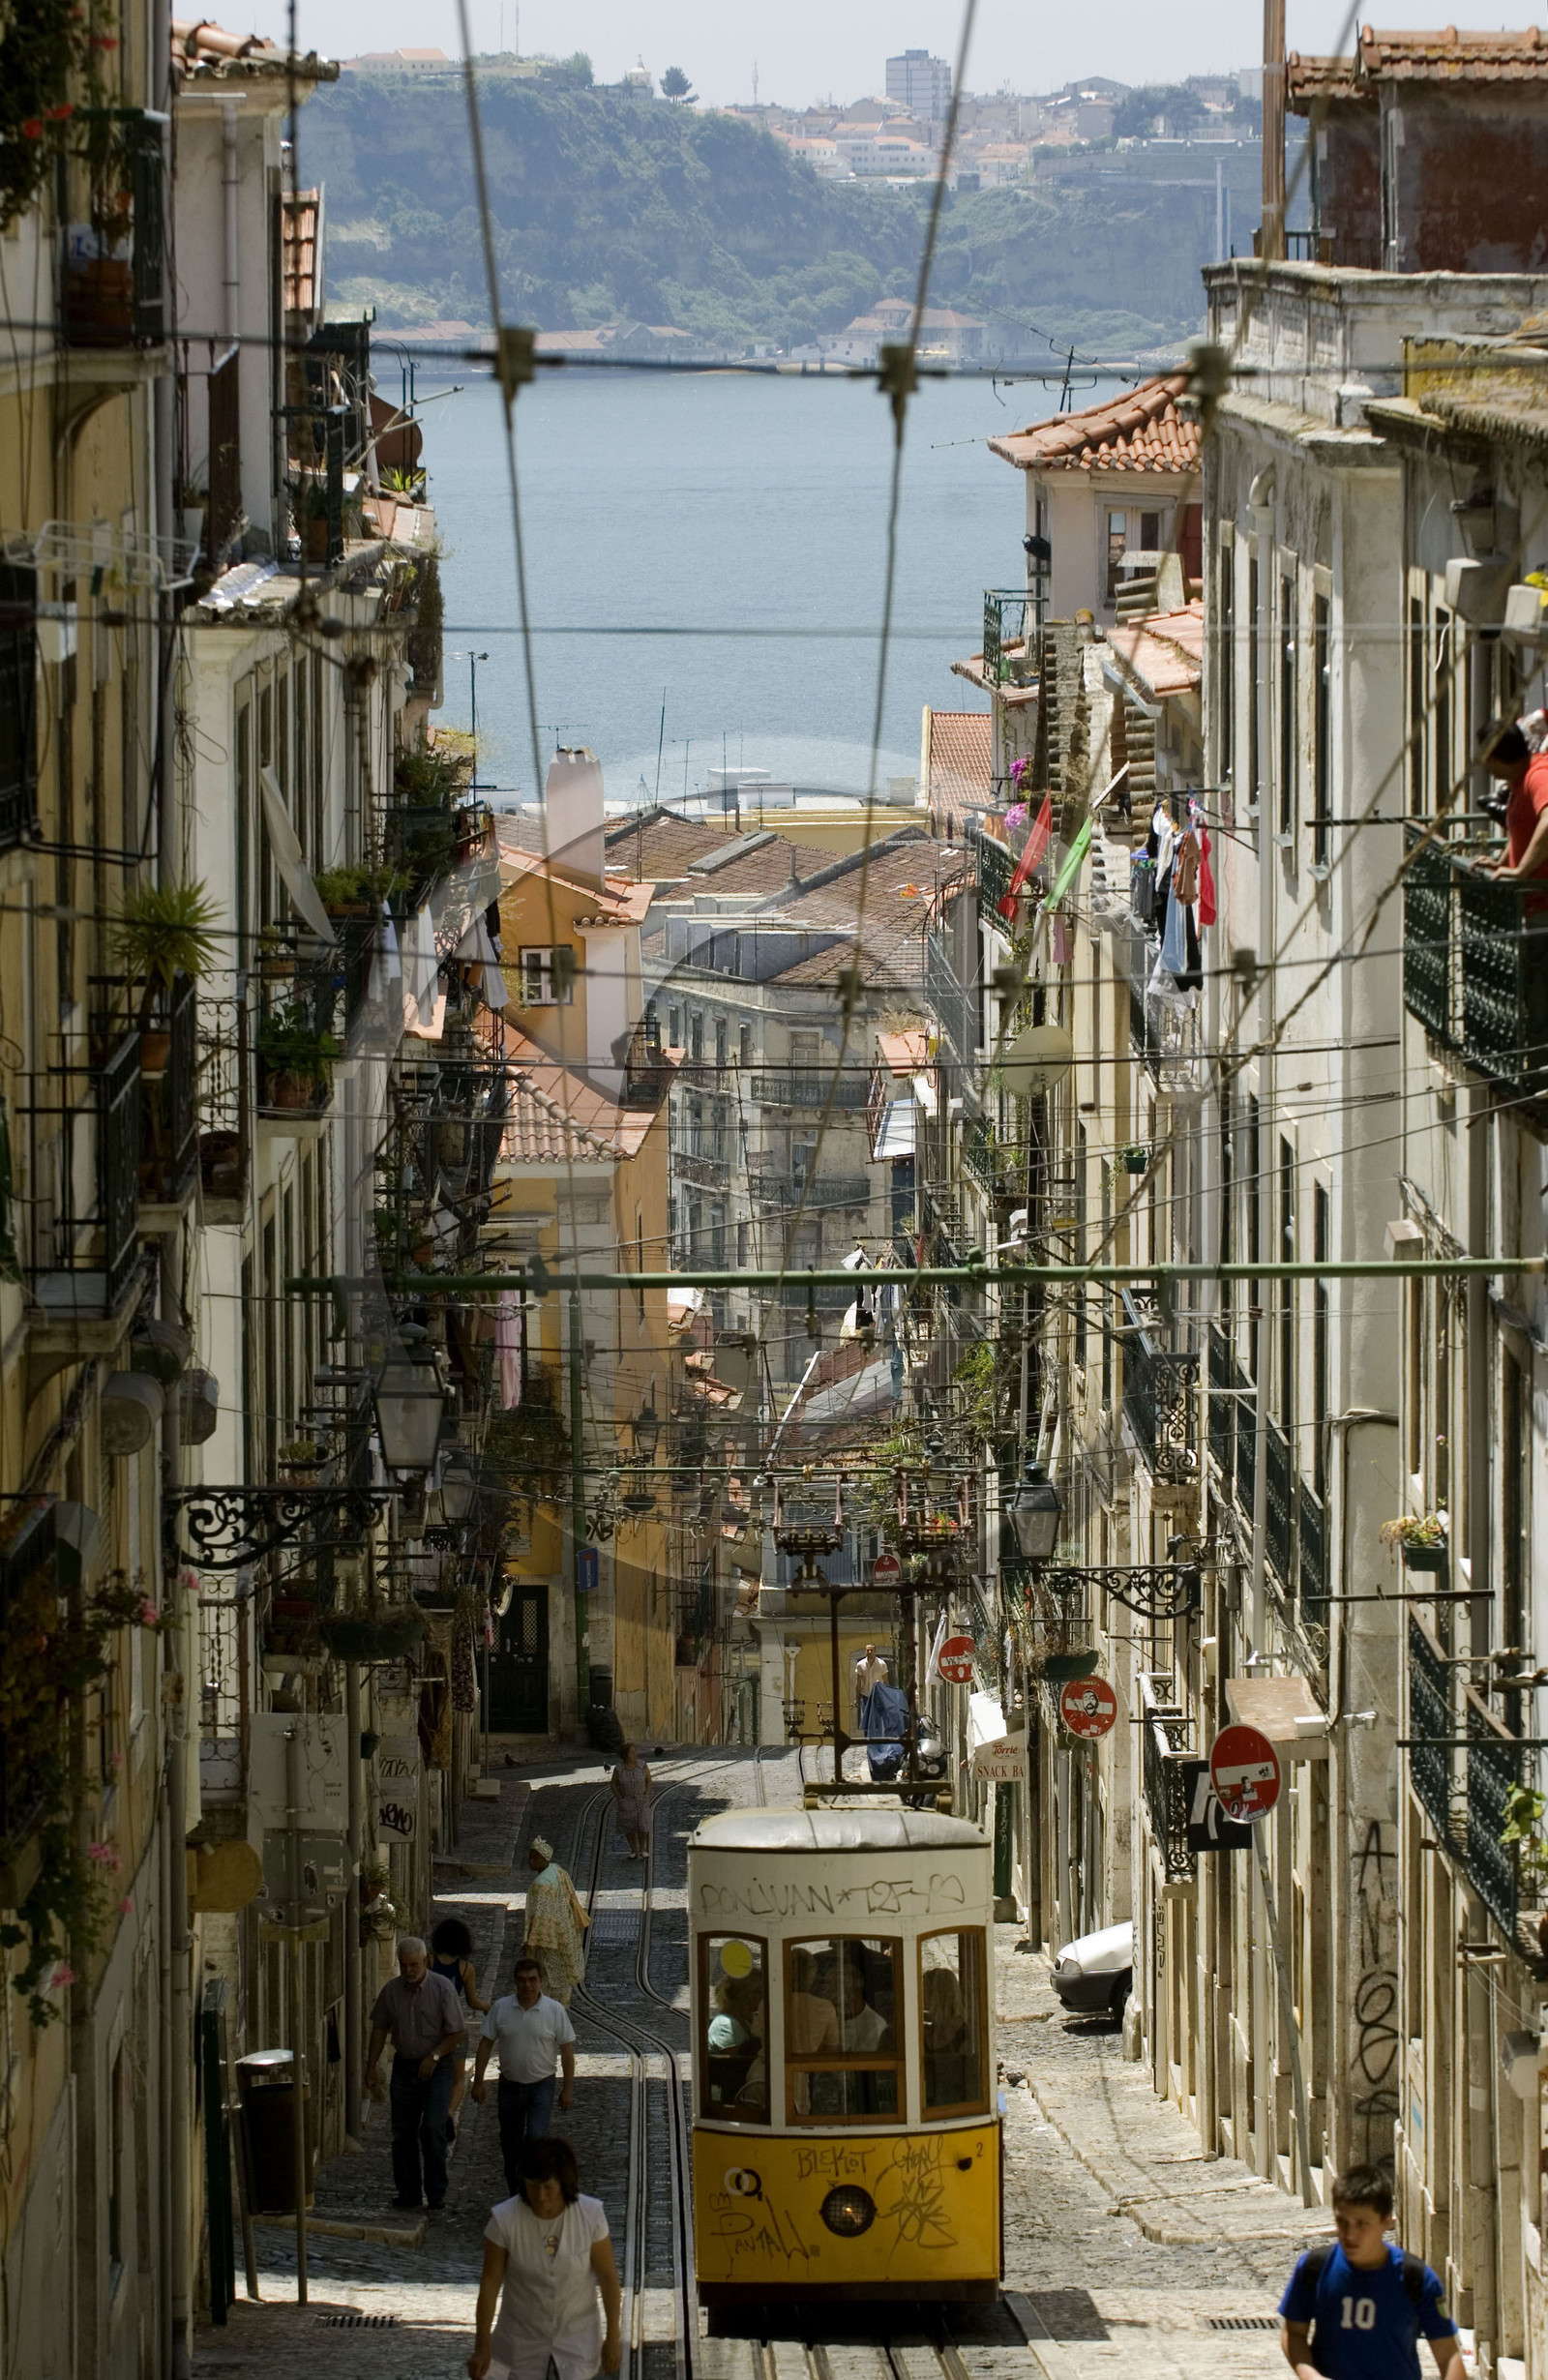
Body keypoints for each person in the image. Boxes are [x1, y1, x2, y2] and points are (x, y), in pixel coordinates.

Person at [1279, 2163, 1463, 2380]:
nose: (1350, 2234)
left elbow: (1448, 2356)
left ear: (1386, 2221)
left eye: (1362, 2224)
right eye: (1342, 2222)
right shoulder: (1314, 2268)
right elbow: (1294, 2333)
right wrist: (1309, 2374)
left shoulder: (1416, 2279)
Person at [468, 2135, 622, 2380]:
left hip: (578, 2338)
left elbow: (608, 2277)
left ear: (563, 2183)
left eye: (548, 2188)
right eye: (533, 2187)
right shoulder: (504, 2219)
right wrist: (482, 2346)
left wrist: (613, 2336)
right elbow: (489, 2284)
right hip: (519, 2340)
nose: (540, 2197)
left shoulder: (590, 2215)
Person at [365, 1936, 467, 2212]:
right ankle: (408, 2192)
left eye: (414, 1964)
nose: (409, 1970)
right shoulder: (392, 1991)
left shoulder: (442, 1988)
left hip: (438, 2066)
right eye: (404, 1965)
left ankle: (436, 2193)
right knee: (403, 2132)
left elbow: (457, 2031)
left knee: (433, 2127)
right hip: (405, 2067)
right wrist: (371, 2065)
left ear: (425, 1961)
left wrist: (434, 2056)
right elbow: (380, 2029)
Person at [473, 1955, 578, 2196]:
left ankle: (534, 2191)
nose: (527, 1985)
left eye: (532, 1980)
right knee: (510, 2144)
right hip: (509, 2086)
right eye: (522, 1980)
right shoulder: (501, 2008)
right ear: (515, 1982)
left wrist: (568, 2088)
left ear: (541, 1982)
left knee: (536, 2139)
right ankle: (516, 2191)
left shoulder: (554, 2010)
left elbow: (567, 2050)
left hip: (542, 2086)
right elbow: (486, 2044)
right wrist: (478, 2081)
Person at [431, 1915, 490, 2142]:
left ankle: (431, 2113)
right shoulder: (465, 1969)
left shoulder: (428, 1962)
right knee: (458, 2078)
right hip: (455, 2028)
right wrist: (486, 2007)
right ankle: (448, 2112)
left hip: (431, 2029)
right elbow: (472, 2001)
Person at [521, 1838, 590, 2007]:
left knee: (547, 1976)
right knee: (562, 1976)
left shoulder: (540, 1885)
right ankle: (560, 2010)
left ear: (544, 1859)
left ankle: (547, 2012)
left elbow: (540, 1917)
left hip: (550, 1942)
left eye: (534, 1858)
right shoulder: (558, 1871)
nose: (530, 1861)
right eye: (530, 1857)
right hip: (566, 1933)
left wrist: (531, 1942)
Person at [610, 1743, 652, 1860]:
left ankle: (643, 1849)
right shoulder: (619, 1769)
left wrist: (647, 1794)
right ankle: (633, 1850)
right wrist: (620, 1798)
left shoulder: (642, 1765)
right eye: (632, 1752)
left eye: (635, 1751)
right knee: (629, 1826)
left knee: (643, 1825)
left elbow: (648, 1780)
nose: (635, 1754)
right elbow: (613, 1784)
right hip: (626, 1800)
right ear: (625, 1755)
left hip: (641, 1800)